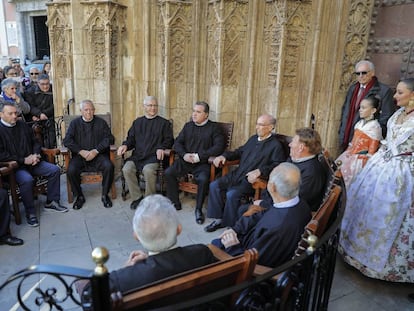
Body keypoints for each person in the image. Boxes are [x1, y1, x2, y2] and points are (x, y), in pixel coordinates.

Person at [339, 78, 414, 283]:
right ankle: (356, 254)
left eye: (400, 92)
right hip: (382, 165)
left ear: (413, 95)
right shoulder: (398, 114)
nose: (395, 96)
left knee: (390, 214)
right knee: (366, 206)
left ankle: (383, 266)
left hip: (404, 170)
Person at [80, 194, 216, 299]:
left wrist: (126, 268)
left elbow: (88, 295)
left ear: (136, 237)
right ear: (179, 230)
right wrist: (155, 260)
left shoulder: (124, 278)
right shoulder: (202, 252)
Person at [211, 162, 311, 267]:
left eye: (269, 179)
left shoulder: (278, 229)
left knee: (214, 246)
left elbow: (254, 264)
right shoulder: (297, 203)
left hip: (244, 258)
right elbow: (263, 214)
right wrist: (236, 229)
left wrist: (232, 246)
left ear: (272, 187)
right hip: (250, 242)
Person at [204, 114, 286, 231]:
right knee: (214, 185)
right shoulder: (253, 139)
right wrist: (224, 156)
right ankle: (218, 219)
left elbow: (278, 165)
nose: (257, 127)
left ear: (270, 127)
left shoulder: (275, 145)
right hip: (238, 173)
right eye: (257, 124)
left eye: (261, 125)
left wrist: (260, 171)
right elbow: (239, 152)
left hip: (252, 181)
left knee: (231, 194)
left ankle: (231, 226)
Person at [0, 102, 67, 227]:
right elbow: (2, 155)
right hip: (15, 168)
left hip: (33, 162)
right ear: (1, 114)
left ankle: (52, 202)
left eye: (16, 113)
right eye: (10, 113)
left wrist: (36, 155)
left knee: (54, 170)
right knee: (27, 180)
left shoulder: (22, 125)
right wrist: (23, 160)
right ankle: (30, 213)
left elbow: (35, 142)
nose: (14, 116)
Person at [241, 127, 327, 216]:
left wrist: (263, 204)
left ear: (301, 147)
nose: (290, 144)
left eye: (293, 142)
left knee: (244, 212)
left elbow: (293, 201)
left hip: (287, 214)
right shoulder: (293, 160)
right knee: (243, 210)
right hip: (274, 203)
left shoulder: (312, 173)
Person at [164, 101, 226, 217]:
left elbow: (218, 147)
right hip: (186, 161)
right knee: (169, 172)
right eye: (194, 111)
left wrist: (199, 157)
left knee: (203, 179)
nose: (194, 114)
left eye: (198, 112)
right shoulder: (188, 126)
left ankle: (198, 209)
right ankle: (175, 203)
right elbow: (177, 143)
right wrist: (184, 155)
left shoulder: (214, 128)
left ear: (206, 114)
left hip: (203, 163)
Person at [117, 96, 174, 209]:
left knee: (148, 170)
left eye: (155, 105)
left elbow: (169, 140)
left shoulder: (164, 123)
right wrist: (125, 145)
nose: (153, 108)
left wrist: (162, 148)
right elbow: (131, 139)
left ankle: (149, 200)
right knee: (126, 169)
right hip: (138, 156)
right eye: (150, 105)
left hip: (154, 157)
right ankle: (137, 198)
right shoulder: (137, 122)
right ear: (144, 107)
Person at [63, 100, 115, 209]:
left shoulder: (101, 123)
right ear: (81, 111)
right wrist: (81, 151)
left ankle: (105, 195)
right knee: (71, 170)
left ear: (94, 110)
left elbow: (109, 138)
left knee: (109, 166)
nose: (89, 112)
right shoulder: (74, 123)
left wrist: (96, 150)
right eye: (86, 110)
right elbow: (67, 140)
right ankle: (79, 196)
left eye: (91, 109)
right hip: (80, 157)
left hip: (98, 155)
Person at [338, 60, 396, 152]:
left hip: (367, 139)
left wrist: (372, 133)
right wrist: (342, 133)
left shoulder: (384, 91)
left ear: (372, 73)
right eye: (358, 73)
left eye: (364, 72)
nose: (361, 76)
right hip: (349, 136)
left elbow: (386, 116)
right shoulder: (353, 88)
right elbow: (346, 111)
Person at [336, 96, 382, 188]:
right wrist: (348, 152)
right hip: (350, 155)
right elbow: (353, 143)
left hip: (360, 160)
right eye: (360, 107)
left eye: (364, 108)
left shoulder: (375, 127)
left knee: (351, 184)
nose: (360, 110)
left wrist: (360, 159)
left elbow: (371, 152)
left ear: (373, 110)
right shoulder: (359, 124)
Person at [24, 74, 57, 148]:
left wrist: (43, 114)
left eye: (47, 84)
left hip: (49, 119)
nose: (45, 86)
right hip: (35, 119)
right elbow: (30, 106)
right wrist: (38, 114)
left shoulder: (54, 90)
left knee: (50, 143)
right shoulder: (30, 92)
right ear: (37, 83)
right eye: (42, 84)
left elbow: (55, 105)